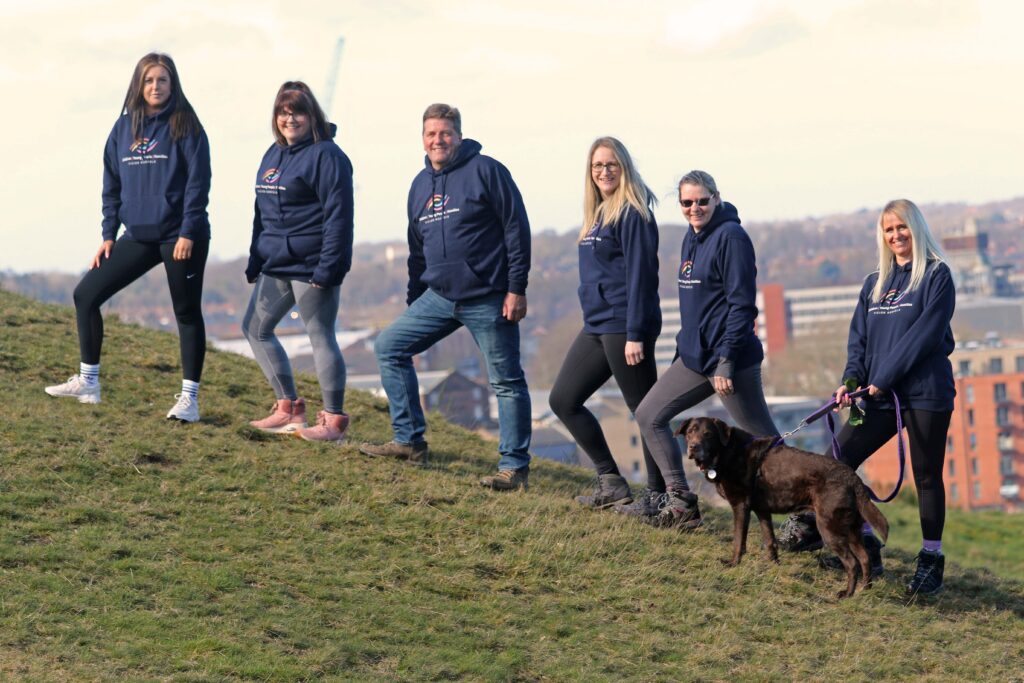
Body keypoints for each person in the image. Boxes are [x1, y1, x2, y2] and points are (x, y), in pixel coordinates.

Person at [780, 199, 955, 596]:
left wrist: (883, 377)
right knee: (834, 462)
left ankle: (931, 561)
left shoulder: (937, 277)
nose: (896, 236)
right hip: (877, 393)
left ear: (917, 229)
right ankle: (864, 543)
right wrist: (851, 378)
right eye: (889, 230)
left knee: (927, 476)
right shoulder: (873, 283)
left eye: (903, 228)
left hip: (925, 393)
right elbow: (858, 339)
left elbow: (924, 336)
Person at [359, 103, 532, 490]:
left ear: (458, 135)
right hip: (438, 297)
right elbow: (416, 251)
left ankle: (514, 468)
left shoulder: (487, 171)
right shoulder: (419, 185)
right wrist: (413, 303)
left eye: (445, 133)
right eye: (431, 134)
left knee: (505, 381)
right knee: (389, 346)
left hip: (488, 296)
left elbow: (515, 230)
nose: (438, 140)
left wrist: (516, 288)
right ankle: (409, 442)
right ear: (423, 138)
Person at [45, 53, 211, 422]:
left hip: (180, 235)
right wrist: (109, 235)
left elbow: (199, 183)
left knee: (185, 312)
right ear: (139, 84)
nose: (155, 86)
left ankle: (190, 400)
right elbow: (112, 184)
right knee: (85, 294)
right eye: (149, 80)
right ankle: (88, 381)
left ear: (173, 85)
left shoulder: (186, 124)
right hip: (138, 233)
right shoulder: (123, 129)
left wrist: (187, 231)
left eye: (162, 80)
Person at [634, 170, 779, 527]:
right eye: (687, 202)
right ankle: (681, 503)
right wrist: (683, 352)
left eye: (702, 200)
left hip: (731, 361)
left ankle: (807, 514)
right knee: (649, 415)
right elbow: (696, 307)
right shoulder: (691, 236)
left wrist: (726, 360)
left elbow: (741, 306)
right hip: (695, 358)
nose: (694, 208)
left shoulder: (732, 237)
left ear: (716, 197)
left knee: (765, 443)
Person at [548, 137, 662, 509]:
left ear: (624, 167)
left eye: (611, 164)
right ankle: (611, 482)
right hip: (596, 325)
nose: (604, 171)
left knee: (646, 412)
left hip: (625, 326)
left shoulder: (633, 211)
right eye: (597, 165)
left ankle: (662, 496)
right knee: (563, 399)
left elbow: (642, 277)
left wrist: (635, 334)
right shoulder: (598, 212)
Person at [242, 82, 354, 443]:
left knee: (320, 335)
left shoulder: (327, 156)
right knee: (255, 328)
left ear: (312, 116)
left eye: (298, 112)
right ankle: (288, 408)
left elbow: (339, 217)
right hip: (276, 262)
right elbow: (262, 212)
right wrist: (256, 255)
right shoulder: (272, 154)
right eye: (283, 112)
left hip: (313, 264)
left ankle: (333, 421)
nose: (290, 119)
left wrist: (330, 267)